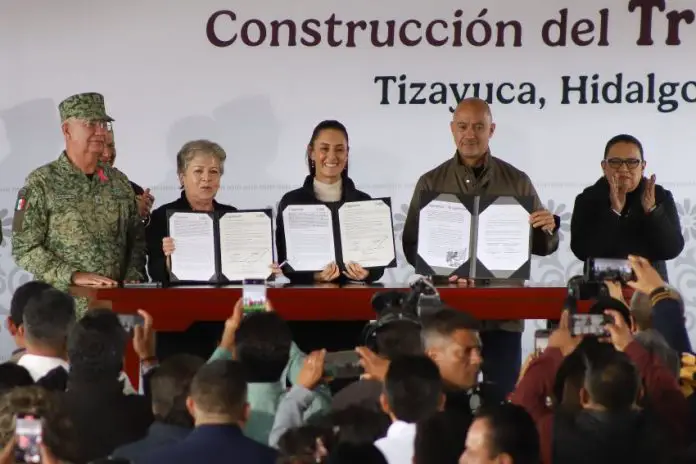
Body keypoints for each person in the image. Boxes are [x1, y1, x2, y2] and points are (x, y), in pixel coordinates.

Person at [402, 97, 559, 402]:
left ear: (492, 130)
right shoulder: (430, 182)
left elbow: (543, 246)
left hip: (503, 315)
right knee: (449, 401)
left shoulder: (518, 181)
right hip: (450, 315)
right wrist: (443, 270)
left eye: (478, 126)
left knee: (501, 400)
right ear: (452, 129)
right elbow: (412, 246)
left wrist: (547, 227)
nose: (470, 134)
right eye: (462, 126)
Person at [11, 92, 146, 315]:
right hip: (61, 312)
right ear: (67, 130)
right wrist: (73, 275)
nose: (100, 131)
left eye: (103, 124)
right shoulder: (40, 182)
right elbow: (23, 248)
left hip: (113, 312)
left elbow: (137, 240)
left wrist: (132, 280)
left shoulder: (119, 182)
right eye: (90, 124)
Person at [146, 139, 237, 360]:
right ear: (181, 176)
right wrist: (168, 262)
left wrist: (264, 267)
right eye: (198, 171)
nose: (207, 178)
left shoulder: (232, 215)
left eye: (214, 172)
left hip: (226, 319)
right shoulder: (162, 216)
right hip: (179, 322)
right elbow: (154, 272)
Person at [275, 120, 386, 285]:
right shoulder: (291, 202)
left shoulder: (364, 202)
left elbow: (378, 269)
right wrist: (314, 277)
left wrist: (367, 273)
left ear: (347, 154)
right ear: (311, 152)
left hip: (355, 300)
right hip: (308, 300)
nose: (332, 156)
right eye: (324, 149)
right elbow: (286, 263)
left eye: (340, 150)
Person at [570, 134, 683, 282]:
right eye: (615, 162)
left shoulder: (659, 196)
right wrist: (614, 212)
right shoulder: (588, 199)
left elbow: (672, 249)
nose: (623, 169)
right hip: (602, 288)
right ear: (604, 167)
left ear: (643, 167)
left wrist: (653, 212)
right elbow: (582, 251)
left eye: (632, 162)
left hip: (650, 291)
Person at [102, 125, 155, 220]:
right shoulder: (73, 186)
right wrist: (131, 212)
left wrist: (142, 216)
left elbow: (144, 232)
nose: (108, 153)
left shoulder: (134, 190)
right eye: (100, 146)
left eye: (111, 146)